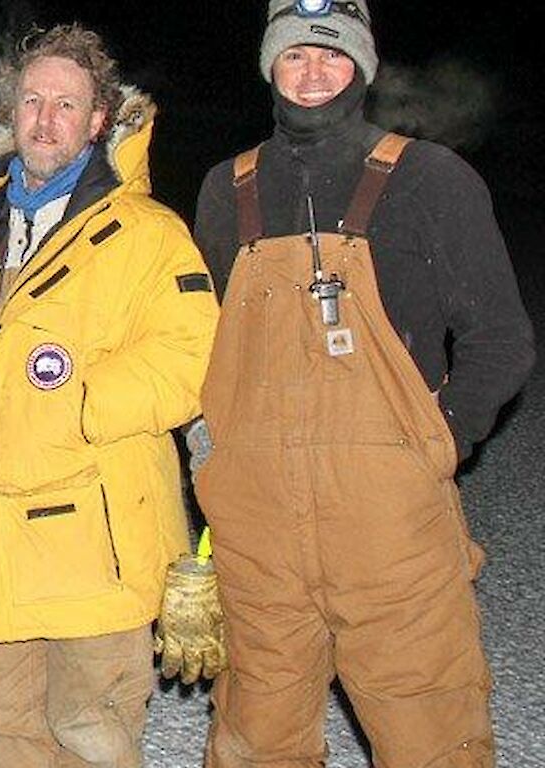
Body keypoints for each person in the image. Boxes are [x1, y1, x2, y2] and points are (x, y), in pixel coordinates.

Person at [190, 1, 534, 764]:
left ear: (364, 67)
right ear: (269, 66)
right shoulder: (226, 189)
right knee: (255, 740)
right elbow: (198, 343)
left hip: (390, 529)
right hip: (258, 530)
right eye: (295, 55)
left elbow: (501, 340)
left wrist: (435, 446)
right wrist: (208, 450)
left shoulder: (431, 179)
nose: (314, 73)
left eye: (333, 55)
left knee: (429, 733)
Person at [0, 23, 218, 766]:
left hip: (90, 550)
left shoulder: (147, 233)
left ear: (99, 119)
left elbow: (192, 358)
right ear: (10, 114)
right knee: (1, 730)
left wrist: (77, 404)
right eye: (31, 100)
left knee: (92, 737)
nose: (45, 119)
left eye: (66, 104)